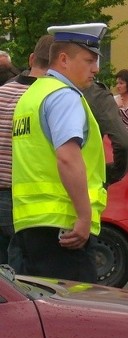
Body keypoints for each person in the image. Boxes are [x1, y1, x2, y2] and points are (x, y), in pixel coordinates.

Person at [11, 23, 108, 283]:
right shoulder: (64, 98)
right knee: (76, 314)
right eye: (89, 60)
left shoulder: (32, 96)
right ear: (63, 59)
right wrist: (84, 216)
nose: (96, 69)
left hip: (30, 225)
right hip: (64, 228)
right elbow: (67, 157)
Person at [0, 35, 54, 265]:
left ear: (32, 58)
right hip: (27, 195)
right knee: (22, 270)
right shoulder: (50, 97)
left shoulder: (2, 92)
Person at [84, 81, 128, 185]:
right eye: (89, 63)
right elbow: (125, 145)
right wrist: (109, 174)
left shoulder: (43, 88)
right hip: (85, 185)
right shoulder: (95, 94)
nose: (95, 69)